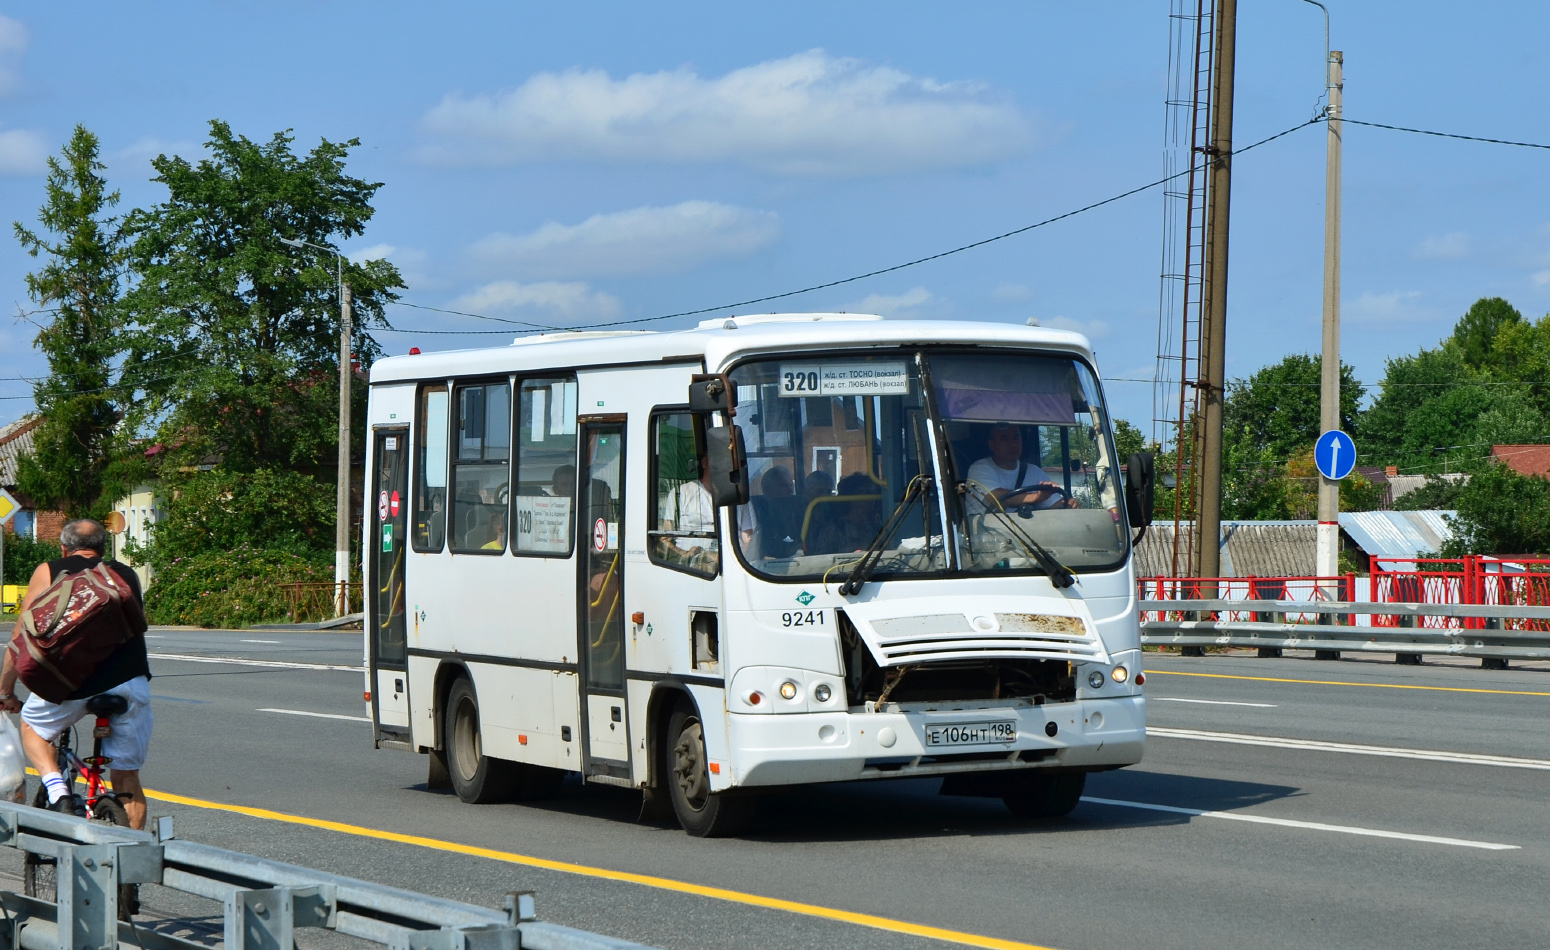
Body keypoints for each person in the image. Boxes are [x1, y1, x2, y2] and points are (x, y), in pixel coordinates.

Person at [0, 519, 152, 830]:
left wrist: (5, 691)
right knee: (127, 778)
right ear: (102, 547)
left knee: (33, 727)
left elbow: (22, 633)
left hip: (71, 682)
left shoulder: (51, 570)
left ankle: (58, 793)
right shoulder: (124, 574)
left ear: (64, 547)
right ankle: (129, 870)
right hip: (130, 681)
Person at [659, 454, 756, 568]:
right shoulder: (681, 493)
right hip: (691, 567)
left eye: (728, 464)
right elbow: (664, 540)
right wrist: (684, 555)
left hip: (732, 564)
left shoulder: (740, 498)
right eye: (719, 462)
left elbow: (749, 540)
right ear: (704, 463)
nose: (723, 467)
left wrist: (735, 561)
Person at [964, 423, 1077, 514]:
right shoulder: (979, 468)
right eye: (1005, 439)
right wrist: (1037, 496)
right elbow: (996, 498)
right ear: (992, 445)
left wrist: (1067, 504)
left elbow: (1053, 505)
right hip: (984, 537)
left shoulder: (1034, 471)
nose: (1012, 444)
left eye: (1016, 438)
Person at [808, 472, 884, 554]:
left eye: (873, 492)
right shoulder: (835, 528)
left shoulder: (874, 525)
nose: (871, 496)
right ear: (851, 496)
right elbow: (822, 559)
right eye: (865, 492)